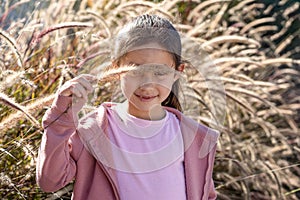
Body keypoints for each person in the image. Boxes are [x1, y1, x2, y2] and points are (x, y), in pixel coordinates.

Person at [36, 14, 219, 200]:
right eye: (135, 71)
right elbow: (50, 182)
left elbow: (206, 194)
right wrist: (60, 119)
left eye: (159, 72)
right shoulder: (92, 130)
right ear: (116, 69)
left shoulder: (193, 137)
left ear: (177, 73)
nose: (147, 84)